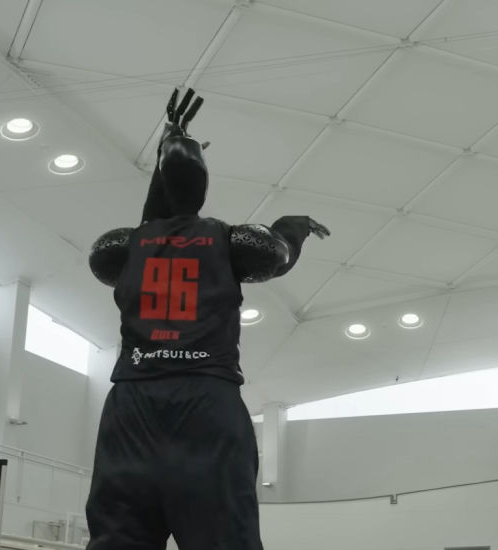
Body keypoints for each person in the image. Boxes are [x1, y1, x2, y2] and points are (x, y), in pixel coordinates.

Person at [85, 88, 329, 550]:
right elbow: (279, 253)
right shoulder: (236, 240)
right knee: (224, 536)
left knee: (119, 536)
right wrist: (295, 225)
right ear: (205, 184)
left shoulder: (117, 247)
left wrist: (166, 151)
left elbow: (151, 228)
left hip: (133, 403)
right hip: (205, 400)